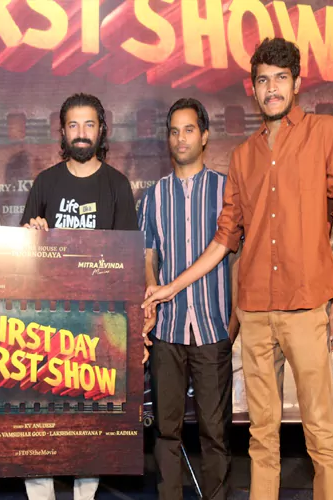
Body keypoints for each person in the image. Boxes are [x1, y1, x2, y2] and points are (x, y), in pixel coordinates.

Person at [144, 38, 333, 500]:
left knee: (321, 432)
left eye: (281, 78)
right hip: (256, 315)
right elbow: (224, 239)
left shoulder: (324, 131)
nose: (272, 88)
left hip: (306, 307)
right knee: (262, 437)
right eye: (263, 80)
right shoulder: (243, 157)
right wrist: (169, 287)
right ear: (254, 88)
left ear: (297, 83)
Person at [20, 93, 137, 500]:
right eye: (73, 125)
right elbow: (22, 258)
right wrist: (32, 237)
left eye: (89, 124)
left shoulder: (117, 185)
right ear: (62, 132)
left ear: (102, 130)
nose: (81, 133)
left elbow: (128, 265)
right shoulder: (45, 182)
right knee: (40, 423)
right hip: (46, 324)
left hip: (97, 326)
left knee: (89, 426)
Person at [138, 98, 239, 499]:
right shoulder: (153, 196)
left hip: (214, 327)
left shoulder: (226, 190)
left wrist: (234, 319)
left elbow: (238, 256)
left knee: (216, 433)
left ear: (205, 136)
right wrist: (152, 289)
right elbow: (149, 255)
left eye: (189, 130)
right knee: (166, 432)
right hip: (168, 330)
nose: (181, 139)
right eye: (174, 131)